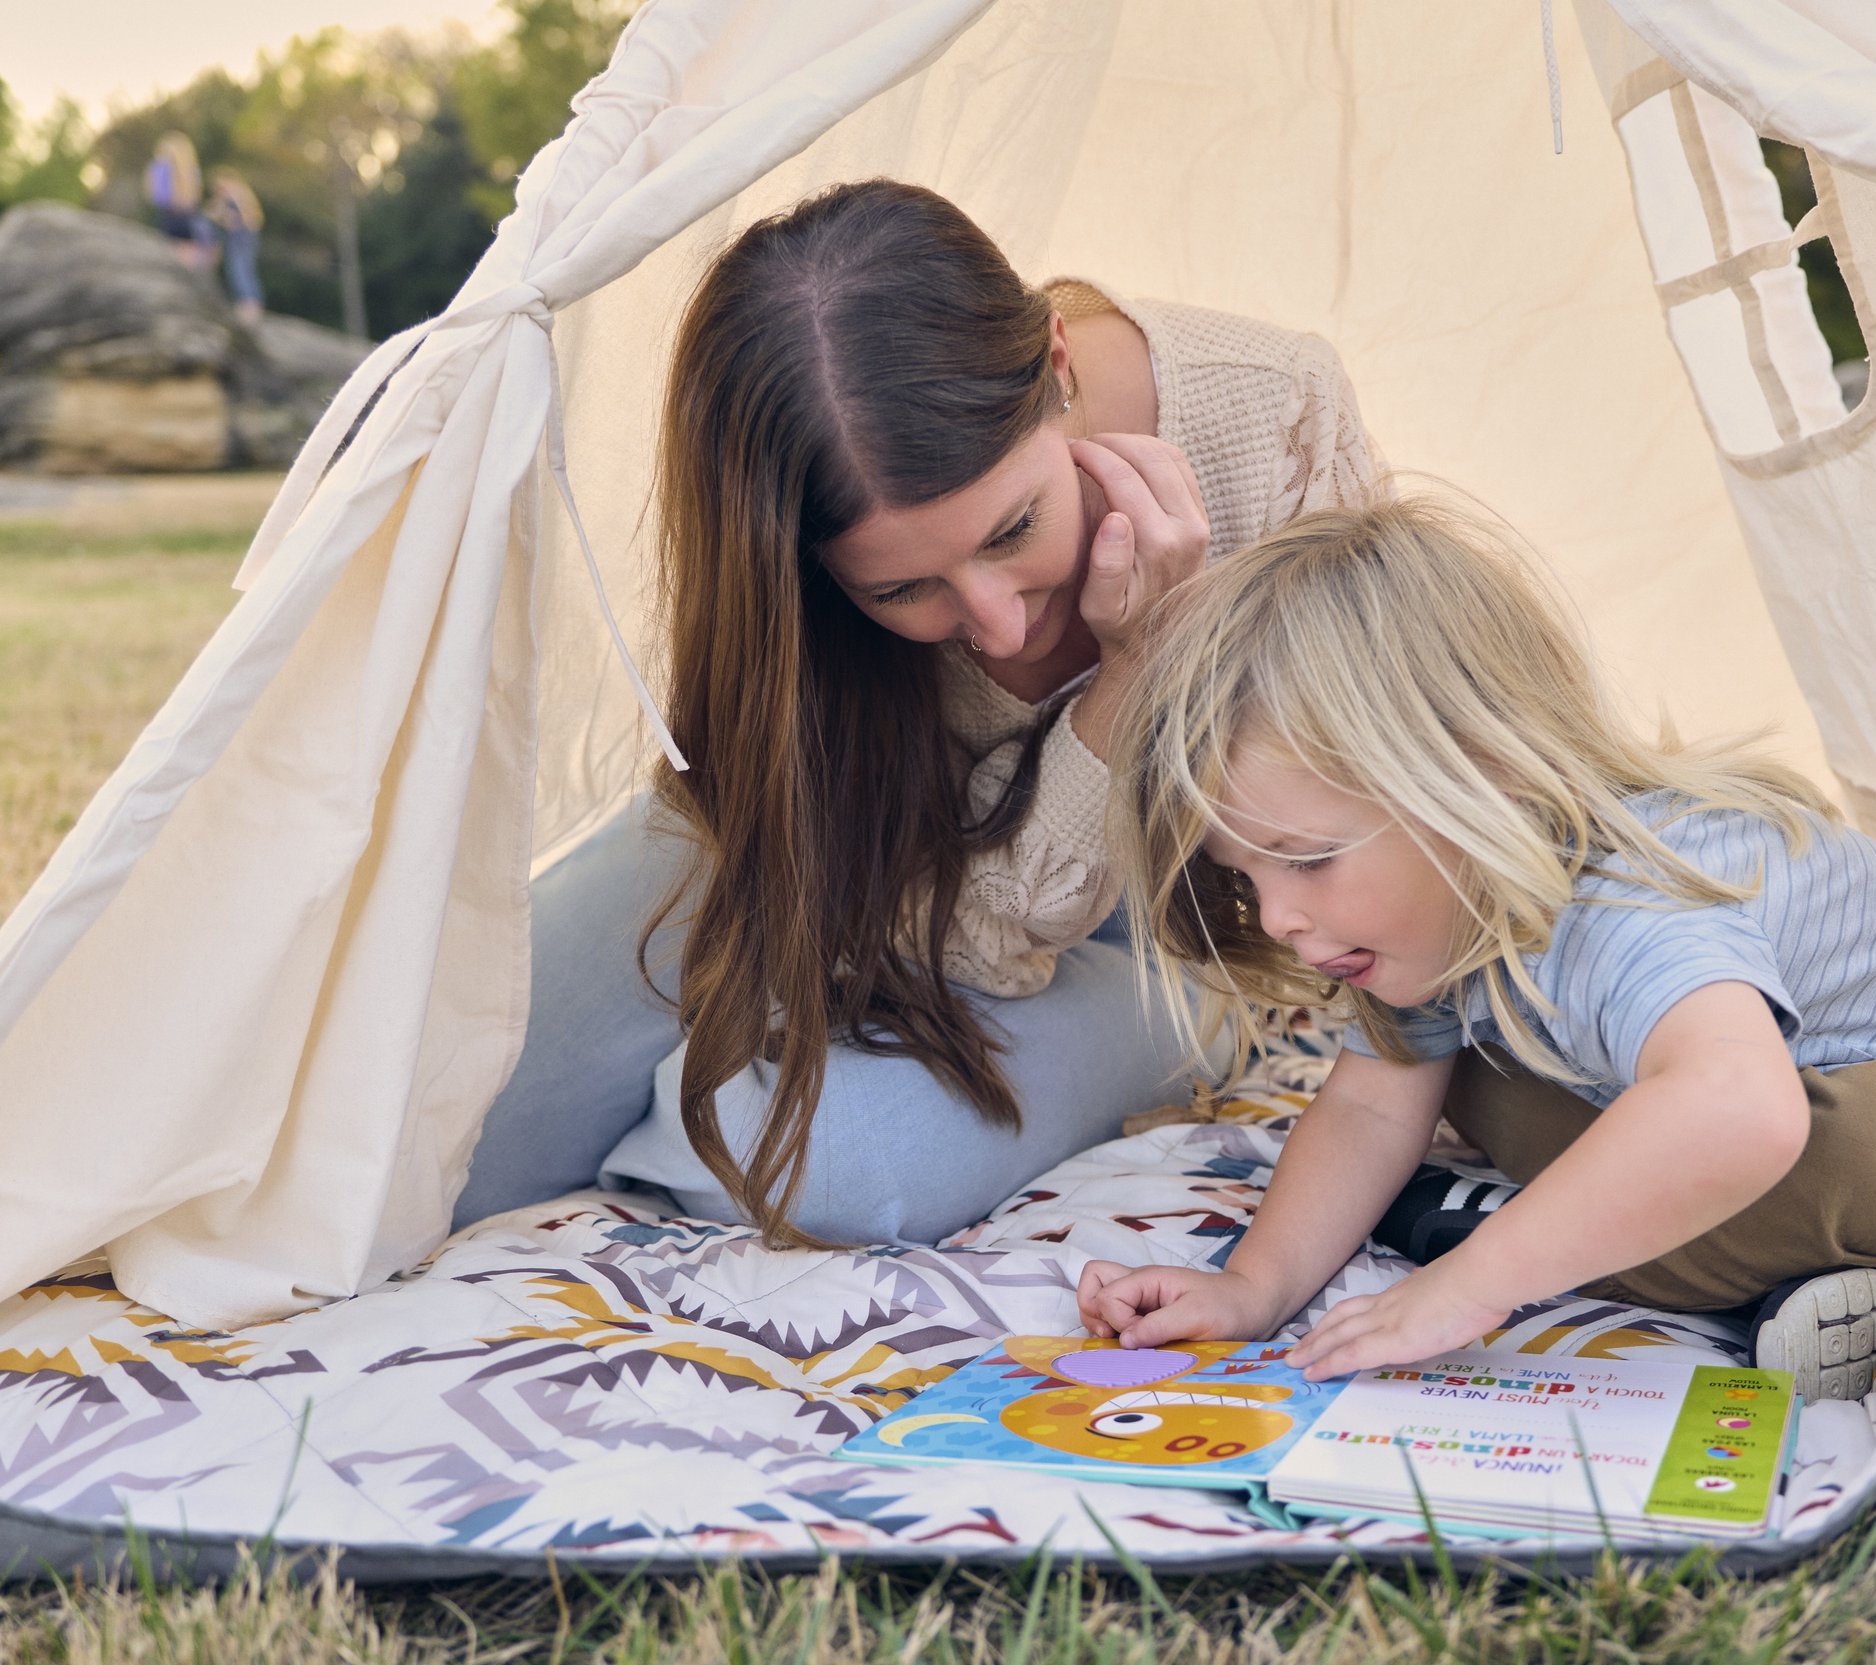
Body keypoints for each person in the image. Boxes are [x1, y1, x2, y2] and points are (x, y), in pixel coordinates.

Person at [452, 179, 1379, 1248]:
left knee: (812, 1162)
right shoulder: (799, 604)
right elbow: (830, 851)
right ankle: (723, 1063)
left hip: (1161, 919)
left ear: (1060, 365)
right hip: (871, 866)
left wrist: (1138, 674)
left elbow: (990, 955)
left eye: (1013, 528)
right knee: (461, 1117)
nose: (990, 626)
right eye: (901, 591)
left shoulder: (1275, 413)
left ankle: (731, 1076)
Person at [1074, 498, 1876, 1402]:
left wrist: (1470, 1280)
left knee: (1749, 1155)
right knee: (1460, 1083)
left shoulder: (1625, 897)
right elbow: (1365, 1105)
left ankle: (1523, 1228)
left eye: (1308, 861)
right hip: (1760, 1091)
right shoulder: (1443, 918)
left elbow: (1741, 1110)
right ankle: (1793, 1278)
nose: (1283, 920)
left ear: (1480, 778)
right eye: (1247, 879)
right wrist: (1251, 1288)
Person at [143, 134, 215, 273]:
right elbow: (195, 198)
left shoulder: (159, 168)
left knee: (173, 264)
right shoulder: (193, 169)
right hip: (189, 218)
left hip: (169, 218)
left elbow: (155, 196)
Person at [207, 168, 265, 325]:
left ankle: (250, 305)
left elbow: (230, 219)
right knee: (241, 269)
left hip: (241, 238)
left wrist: (222, 215)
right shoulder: (239, 196)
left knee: (240, 269)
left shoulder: (235, 196)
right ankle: (249, 304)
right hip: (242, 238)